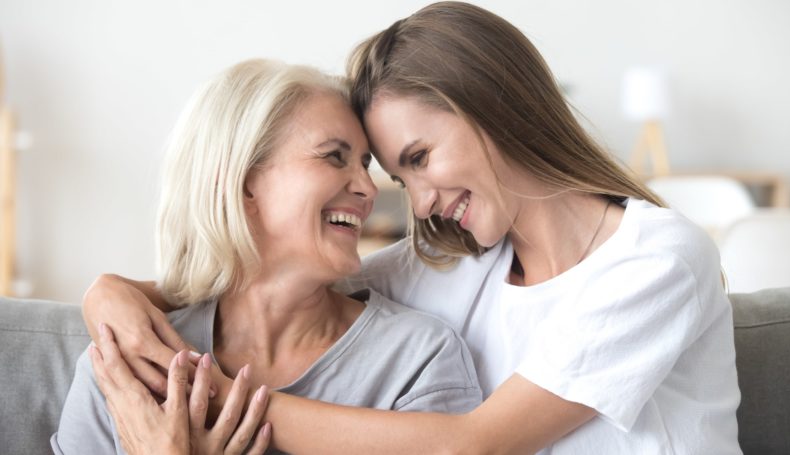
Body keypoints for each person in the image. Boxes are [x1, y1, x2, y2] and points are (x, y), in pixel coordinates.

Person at [82, 2, 742, 453]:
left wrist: (216, 400)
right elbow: (274, 276)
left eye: (419, 158)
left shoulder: (655, 258)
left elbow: (470, 444)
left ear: (493, 104)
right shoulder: (458, 262)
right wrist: (112, 290)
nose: (419, 203)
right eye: (403, 177)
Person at [51, 58, 482, 454]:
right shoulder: (127, 365)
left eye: (366, 165)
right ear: (243, 186)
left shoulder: (416, 360)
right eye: (335, 157)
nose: (368, 189)